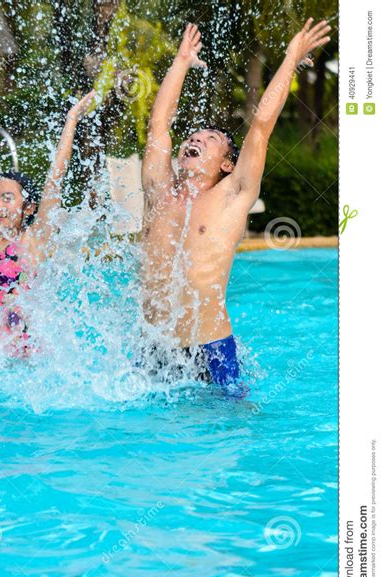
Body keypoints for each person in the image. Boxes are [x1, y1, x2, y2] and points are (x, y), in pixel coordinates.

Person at [141, 19, 331, 389]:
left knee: (230, 428)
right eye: (194, 135)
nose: (196, 138)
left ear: (227, 164)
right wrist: (181, 62)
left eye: (210, 138)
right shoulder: (158, 191)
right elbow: (159, 124)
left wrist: (291, 58)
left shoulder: (231, 196)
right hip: (154, 348)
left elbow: (260, 125)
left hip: (211, 349)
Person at [0, 89, 96, 355]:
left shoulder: (33, 240)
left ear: (28, 208)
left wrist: (71, 120)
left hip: (19, 358)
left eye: (8, 198)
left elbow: (55, 180)